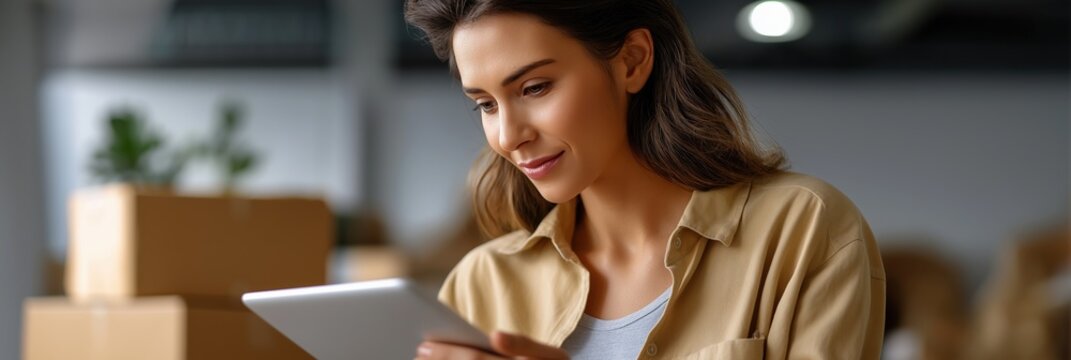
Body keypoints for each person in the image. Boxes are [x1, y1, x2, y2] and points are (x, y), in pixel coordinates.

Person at [404, 0, 886, 358]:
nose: (509, 136)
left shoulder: (803, 230)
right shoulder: (481, 283)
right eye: (485, 105)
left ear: (632, 60)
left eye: (535, 87)